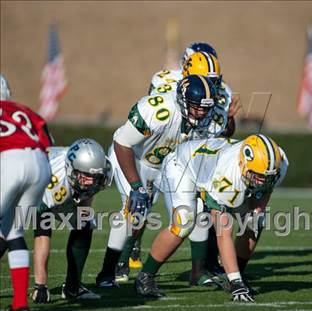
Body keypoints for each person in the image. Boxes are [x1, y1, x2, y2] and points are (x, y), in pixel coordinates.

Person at [95, 74, 219, 288]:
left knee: (197, 208)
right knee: (134, 211)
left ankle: (198, 272)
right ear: (182, 100)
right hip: (133, 156)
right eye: (195, 106)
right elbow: (122, 143)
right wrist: (136, 187)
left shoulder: (211, 121)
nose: (200, 113)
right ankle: (109, 271)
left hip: (168, 164)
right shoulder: (160, 109)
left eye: (205, 108)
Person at [134, 134, 288, 302]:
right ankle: (145, 276)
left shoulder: (278, 164)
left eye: (267, 177)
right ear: (243, 164)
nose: (262, 181)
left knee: (255, 222)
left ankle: (237, 277)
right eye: (259, 176)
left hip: (213, 167)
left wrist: (258, 209)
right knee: (184, 223)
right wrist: (236, 283)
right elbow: (223, 234)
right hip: (183, 166)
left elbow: (267, 188)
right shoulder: (227, 174)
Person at [31, 138, 113, 303]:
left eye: (95, 177)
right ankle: (40, 286)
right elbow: (41, 234)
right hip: (29, 181)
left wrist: (83, 214)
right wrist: (41, 286)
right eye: (85, 177)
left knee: (85, 224)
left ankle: (72, 287)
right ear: (71, 169)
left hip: (56, 182)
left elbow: (87, 196)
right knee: (8, 234)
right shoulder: (56, 182)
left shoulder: (97, 169)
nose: (91, 182)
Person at [0, 74, 53, 311]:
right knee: (14, 231)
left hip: (10, 161)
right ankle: (20, 303)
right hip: (40, 165)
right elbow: (47, 142)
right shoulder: (24, 110)